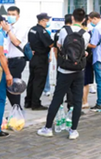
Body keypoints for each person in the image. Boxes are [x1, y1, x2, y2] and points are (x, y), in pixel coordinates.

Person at [37, 8, 90, 140]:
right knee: (77, 100)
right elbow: (83, 51)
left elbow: (59, 46)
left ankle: (48, 128)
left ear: (72, 18)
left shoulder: (64, 31)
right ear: (84, 19)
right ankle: (73, 130)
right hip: (79, 70)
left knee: (57, 98)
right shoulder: (86, 34)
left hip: (64, 70)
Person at [25, 13, 54, 110]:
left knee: (32, 80)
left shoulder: (32, 29)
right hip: (41, 58)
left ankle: (28, 101)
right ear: (42, 20)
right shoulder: (42, 31)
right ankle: (35, 103)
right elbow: (50, 44)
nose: (47, 23)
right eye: (47, 20)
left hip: (33, 57)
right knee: (39, 81)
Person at [2, 6, 29, 109]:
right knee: (9, 85)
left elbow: (16, 42)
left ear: (18, 16)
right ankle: (16, 109)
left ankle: (17, 109)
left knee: (12, 84)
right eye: (9, 14)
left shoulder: (21, 26)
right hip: (8, 59)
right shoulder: (6, 26)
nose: (10, 16)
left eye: (13, 14)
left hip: (18, 59)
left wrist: (8, 31)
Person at [81, 16, 95, 109]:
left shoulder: (74, 32)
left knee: (83, 82)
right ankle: (84, 102)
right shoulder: (89, 32)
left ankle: (83, 101)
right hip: (87, 59)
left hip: (79, 59)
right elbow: (93, 45)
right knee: (85, 82)